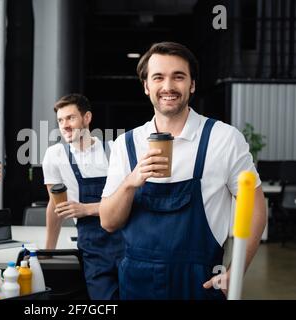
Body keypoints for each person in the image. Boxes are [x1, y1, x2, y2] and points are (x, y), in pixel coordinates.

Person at [99, 42, 267, 300]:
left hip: (201, 285)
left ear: (192, 85)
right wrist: (131, 182)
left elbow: (256, 206)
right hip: (137, 285)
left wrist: (237, 270)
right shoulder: (126, 144)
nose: (168, 86)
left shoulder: (223, 139)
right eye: (158, 77)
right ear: (146, 86)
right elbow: (108, 222)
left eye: (178, 76)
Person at [42, 93, 124, 300]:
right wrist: (49, 249)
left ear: (87, 118)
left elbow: (128, 200)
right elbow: (55, 205)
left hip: (125, 239)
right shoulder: (54, 155)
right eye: (60, 120)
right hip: (92, 245)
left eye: (71, 118)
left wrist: (86, 208)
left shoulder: (114, 150)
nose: (65, 125)